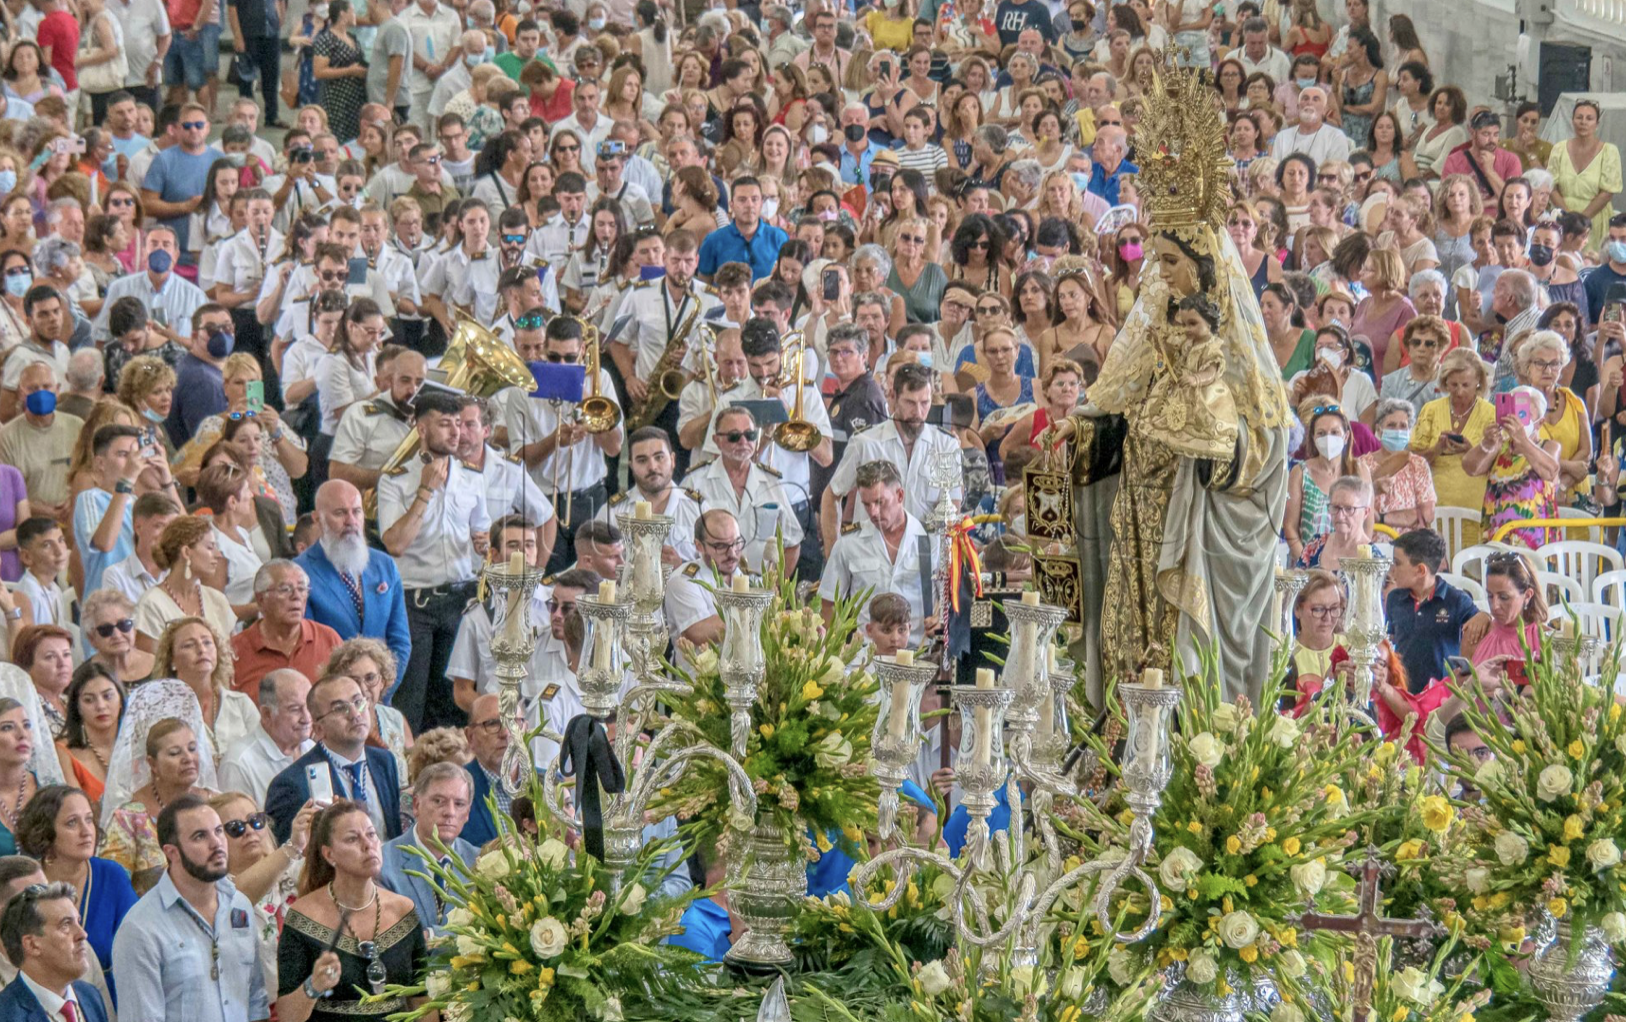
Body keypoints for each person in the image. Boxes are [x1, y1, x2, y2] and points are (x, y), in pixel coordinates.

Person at [377, 390, 490, 732]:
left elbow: (481, 534)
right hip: (415, 603)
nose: (456, 432)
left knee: (453, 699)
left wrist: (485, 543)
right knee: (410, 700)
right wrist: (425, 491)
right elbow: (395, 543)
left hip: (460, 599)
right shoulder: (395, 480)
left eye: (458, 424)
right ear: (420, 428)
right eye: (445, 424)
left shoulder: (472, 478)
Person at [111, 794, 270, 1022]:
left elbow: (256, 1002)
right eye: (199, 836)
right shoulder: (140, 929)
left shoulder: (239, 906)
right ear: (172, 852)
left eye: (218, 831)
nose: (216, 843)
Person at [275, 801, 425, 1022]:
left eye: (372, 834)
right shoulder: (302, 917)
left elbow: (422, 999)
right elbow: (287, 1017)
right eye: (352, 839)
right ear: (329, 854)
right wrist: (313, 986)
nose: (368, 845)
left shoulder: (403, 910)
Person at [14, 786, 138, 1002]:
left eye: (89, 820)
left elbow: (138, 949)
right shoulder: (27, 884)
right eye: (72, 823)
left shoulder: (112, 876)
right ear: (45, 832)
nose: (86, 830)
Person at [295, 481, 411, 688]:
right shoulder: (299, 573)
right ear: (317, 520)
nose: (351, 521)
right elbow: (309, 651)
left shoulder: (384, 564)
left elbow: (400, 641)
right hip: (331, 697)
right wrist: (346, 695)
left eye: (356, 512)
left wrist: (380, 690)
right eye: (340, 513)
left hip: (381, 695)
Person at [264, 674, 402, 845]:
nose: (354, 714)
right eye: (339, 708)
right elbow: (287, 859)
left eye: (358, 702)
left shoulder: (384, 760)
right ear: (319, 729)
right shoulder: (293, 784)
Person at [100, 699, 218, 895]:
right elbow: (113, 888)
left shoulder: (216, 803)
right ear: (152, 764)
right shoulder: (128, 819)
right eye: (174, 753)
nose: (188, 758)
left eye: (192, 748)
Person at [378, 761, 475, 933]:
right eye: (439, 801)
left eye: (459, 804)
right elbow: (394, 937)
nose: (450, 812)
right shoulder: (383, 863)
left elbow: (487, 934)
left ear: (467, 813)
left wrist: (430, 936)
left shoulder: (480, 863)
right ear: (416, 805)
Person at [1462, 383, 1561, 551]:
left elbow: (1551, 471)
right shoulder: (1501, 446)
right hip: (1497, 536)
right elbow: (1470, 467)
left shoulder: (1549, 446)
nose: (1517, 421)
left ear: (1539, 423)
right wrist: (1486, 443)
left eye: (1523, 415)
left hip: (1536, 539)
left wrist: (1524, 441)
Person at [1411, 348, 1495, 546]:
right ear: (1445, 382)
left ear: (1478, 382)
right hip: (1435, 501)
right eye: (1453, 384)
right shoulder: (1431, 410)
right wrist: (1436, 449)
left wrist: (1472, 449)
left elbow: (1497, 462)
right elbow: (1413, 457)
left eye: (1466, 385)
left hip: (1475, 502)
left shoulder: (1491, 413)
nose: (1459, 391)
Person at [0, 882, 111, 1022]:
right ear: (32, 944)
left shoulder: (89, 995)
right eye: (65, 925)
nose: (82, 934)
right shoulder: (6, 1014)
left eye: (78, 922)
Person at [1386, 528, 1478, 693]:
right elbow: (1392, 641)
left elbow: (1480, 626)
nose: (1392, 570)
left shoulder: (1456, 600)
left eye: (1397, 563)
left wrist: (1484, 616)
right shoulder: (1394, 599)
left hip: (1441, 696)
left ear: (1420, 570)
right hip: (1403, 693)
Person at [230, 562, 341, 697]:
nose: (296, 596)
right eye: (285, 589)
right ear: (260, 599)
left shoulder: (328, 638)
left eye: (302, 589)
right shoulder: (235, 651)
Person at [218, 670, 315, 808]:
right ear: (267, 714)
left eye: (309, 706)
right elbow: (235, 824)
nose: (307, 718)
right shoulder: (239, 763)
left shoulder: (312, 748)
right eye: (294, 709)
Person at [1549, 99, 1622, 250]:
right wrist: (1569, 219)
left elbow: (1607, 192)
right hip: (1564, 218)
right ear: (1572, 121)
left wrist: (1581, 221)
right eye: (1579, 117)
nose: (1583, 122)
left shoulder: (1609, 151)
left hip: (1595, 218)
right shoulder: (1559, 149)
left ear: (1597, 124)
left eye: (1589, 118)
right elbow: (1551, 186)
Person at [54, 663, 126, 807]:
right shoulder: (64, 752)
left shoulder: (138, 745)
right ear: (77, 707)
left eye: (108, 696)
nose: (100, 706)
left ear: (121, 700)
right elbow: (77, 810)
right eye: (89, 700)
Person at [1359, 398, 1436, 532]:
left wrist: (1381, 518)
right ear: (1379, 429)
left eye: (1403, 426)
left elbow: (1427, 514)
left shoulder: (1418, 464)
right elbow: (1356, 507)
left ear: (1410, 431)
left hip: (1409, 545)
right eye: (1391, 425)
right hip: (1371, 543)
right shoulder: (1362, 464)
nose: (1398, 431)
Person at [1297, 475, 1375, 570]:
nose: (1340, 516)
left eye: (1349, 509)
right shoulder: (1315, 545)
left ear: (1366, 512)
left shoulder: (1373, 560)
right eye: (1335, 507)